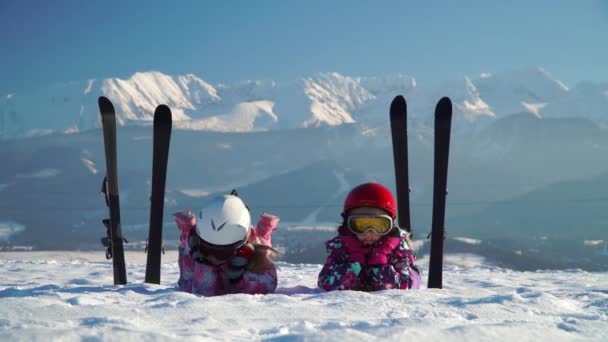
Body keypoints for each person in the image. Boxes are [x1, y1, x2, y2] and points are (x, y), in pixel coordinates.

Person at [318, 182, 421, 291]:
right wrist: (354, 265)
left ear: (391, 226)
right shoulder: (342, 249)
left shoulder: (397, 250)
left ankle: (415, 270)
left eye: (379, 226)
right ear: (347, 225)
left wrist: (380, 266)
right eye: (360, 225)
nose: (369, 233)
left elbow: (405, 287)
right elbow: (326, 283)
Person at [174, 191, 280, 296]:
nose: (212, 256)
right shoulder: (195, 247)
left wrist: (236, 277)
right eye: (206, 249)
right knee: (189, 276)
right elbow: (188, 284)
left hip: (248, 251)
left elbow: (265, 288)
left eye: (222, 253)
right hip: (197, 247)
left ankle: (264, 228)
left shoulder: (252, 253)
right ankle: (187, 228)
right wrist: (204, 266)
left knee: (262, 246)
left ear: (241, 247)